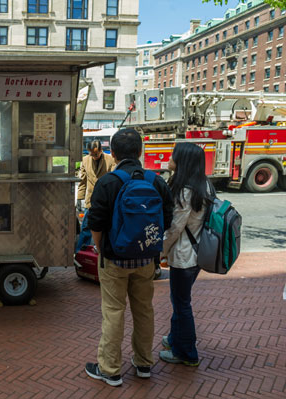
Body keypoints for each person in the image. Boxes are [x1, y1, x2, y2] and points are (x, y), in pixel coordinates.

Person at [84, 128, 173, 387]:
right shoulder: (156, 181)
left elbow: (96, 223)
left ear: (113, 153)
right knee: (144, 310)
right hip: (146, 260)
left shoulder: (108, 182)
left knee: (113, 312)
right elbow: (166, 220)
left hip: (114, 259)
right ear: (141, 151)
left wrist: (102, 250)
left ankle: (110, 370)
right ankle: (143, 363)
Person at [159, 142, 211, 367]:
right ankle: (174, 339)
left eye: (174, 156)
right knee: (180, 300)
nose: (170, 158)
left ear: (183, 162)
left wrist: (160, 252)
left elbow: (174, 229)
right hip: (197, 252)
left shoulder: (185, 192)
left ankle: (187, 353)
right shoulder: (205, 185)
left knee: (181, 304)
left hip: (183, 256)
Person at [75, 140, 115, 251]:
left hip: (105, 200)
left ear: (101, 150)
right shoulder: (85, 160)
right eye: (91, 154)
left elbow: (113, 180)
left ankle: (103, 250)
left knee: (106, 227)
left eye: (96, 154)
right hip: (90, 201)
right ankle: (80, 252)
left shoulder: (110, 160)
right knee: (86, 227)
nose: (93, 156)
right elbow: (82, 181)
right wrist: (79, 198)